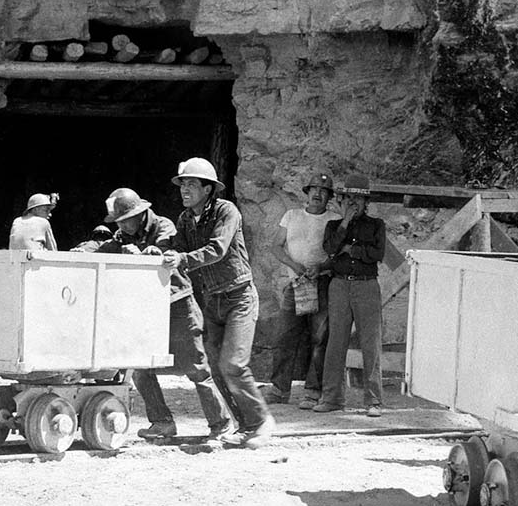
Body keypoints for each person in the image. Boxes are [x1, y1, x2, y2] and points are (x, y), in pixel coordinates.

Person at [95, 187, 232, 441]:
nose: (122, 226)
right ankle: (162, 422)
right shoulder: (123, 235)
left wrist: (151, 253)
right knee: (140, 367)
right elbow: (108, 246)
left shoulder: (163, 225)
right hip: (147, 309)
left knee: (196, 368)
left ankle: (220, 424)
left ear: (140, 213)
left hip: (178, 304)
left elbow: (163, 248)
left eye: (125, 220)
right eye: (118, 222)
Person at [162, 158, 275, 449]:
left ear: (208, 188)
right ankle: (244, 425)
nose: (184, 190)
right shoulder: (186, 219)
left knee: (233, 363)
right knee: (216, 365)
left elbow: (217, 249)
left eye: (191, 184)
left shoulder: (227, 211)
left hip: (239, 297)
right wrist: (160, 250)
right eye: (182, 184)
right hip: (213, 300)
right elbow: (179, 248)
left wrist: (182, 259)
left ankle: (261, 422)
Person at [313, 173, 386, 418]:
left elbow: (376, 254)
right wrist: (345, 224)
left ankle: (373, 401)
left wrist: (349, 250)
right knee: (336, 342)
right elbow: (330, 248)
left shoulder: (377, 225)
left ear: (367, 203)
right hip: (340, 286)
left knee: (370, 344)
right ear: (342, 201)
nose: (354, 203)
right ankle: (332, 398)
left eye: (359, 199)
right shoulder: (334, 226)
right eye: (349, 198)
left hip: (366, 286)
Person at [267, 172, 340, 410]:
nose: (318, 194)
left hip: (322, 284)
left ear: (329, 197)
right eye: (314, 190)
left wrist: (321, 268)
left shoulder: (334, 219)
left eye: (324, 191)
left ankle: (312, 391)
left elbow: (338, 254)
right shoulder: (292, 216)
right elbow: (276, 247)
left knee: (319, 338)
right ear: (306, 193)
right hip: (296, 284)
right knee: (284, 336)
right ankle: (279, 389)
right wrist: (295, 267)